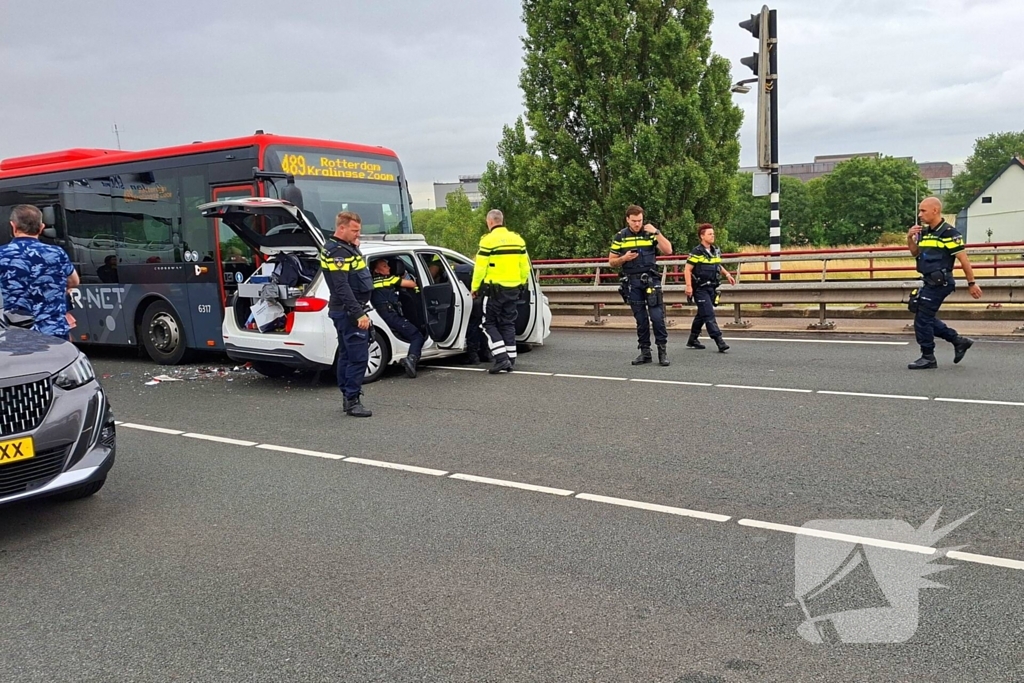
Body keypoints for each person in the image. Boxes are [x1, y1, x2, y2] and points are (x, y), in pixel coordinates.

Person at [906, 197, 982, 369]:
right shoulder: (925, 232)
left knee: (922, 320)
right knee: (923, 315)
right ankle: (958, 341)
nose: (920, 215)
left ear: (935, 211)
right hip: (928, 281)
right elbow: (915, 253)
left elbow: (964, 260)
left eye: (923, 211)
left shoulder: (949, 233)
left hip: (941, 283)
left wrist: (972, 283)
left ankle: (928, 357)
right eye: (920, 211)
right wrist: (910, 237)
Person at [321, 211, 373, 416]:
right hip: (348, 311)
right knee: (358, 358)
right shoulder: (338, 253)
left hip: (343, 310)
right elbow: (341, 286)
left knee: (346, 354)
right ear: (341, 228)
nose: (357, 234)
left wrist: (355, 245)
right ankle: (352, 400)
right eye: (354, 230)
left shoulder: (342, 247)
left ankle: (347, 396)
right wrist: (359, 313)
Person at [0, 205, 80, 340]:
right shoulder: (57, 253)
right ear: (42, 227)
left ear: (13, 226)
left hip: (18, 333)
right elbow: (74, 281)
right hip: (55, 332)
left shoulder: (2, 254)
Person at [608, 205, 673, 366]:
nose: (638, 224)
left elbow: (668, 250)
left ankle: (662, 352)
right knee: (641, 319)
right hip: (632, 282)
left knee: (657, 317)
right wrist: (624, 258)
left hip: (651, 280)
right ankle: (645, 352)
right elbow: (611, 262)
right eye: (634, 221)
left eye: (640, 220)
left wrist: (657, 232)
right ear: (628, 220)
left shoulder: (650, 234)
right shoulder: (620, 237)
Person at [471, 209, 531, 374]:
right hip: (513, 289)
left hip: (494, 291)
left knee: (487, 323)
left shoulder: (488, 241)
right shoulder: (518, 240)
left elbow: (480, 268)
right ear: (501, 220)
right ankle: (511, 359)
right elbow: (525, 267)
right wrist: (521, 284)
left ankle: (501, 358)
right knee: (508, 323)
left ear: (489, 222)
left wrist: (474, 288)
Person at [684, 223, 736, 353]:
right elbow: (687, 269)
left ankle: (692, 339)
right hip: (700, 288)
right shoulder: (697, 251)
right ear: (702, 236)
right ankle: (720, 341)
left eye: (713, 233)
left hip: (712, 287)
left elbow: (717, 265)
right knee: (709, 314)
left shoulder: (714, 250)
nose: (713, 236)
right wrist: (689, 286)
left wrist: (727, 274)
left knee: (702, 314)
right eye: (709, 234)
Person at [370, 257, 423, 378]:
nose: (388, 267)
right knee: (417, 336)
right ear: (377, 270)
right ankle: (411, 359)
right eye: (384, 266)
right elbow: (412, 284)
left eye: (387, 265)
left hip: (380, 315)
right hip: (391, 316)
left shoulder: (370, 281)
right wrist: (403, 276)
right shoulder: (390, 279)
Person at [453, 261, 486, 364]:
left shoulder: (459, 272)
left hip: (472, 299)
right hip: (481, 300)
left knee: (473, 329)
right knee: (482, 328)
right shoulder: (476, 269)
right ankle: (485, 354)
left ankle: (473, 357)